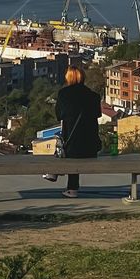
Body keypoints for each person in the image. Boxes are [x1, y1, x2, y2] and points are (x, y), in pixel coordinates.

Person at [44, 65, 102, 197]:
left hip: (71, 146)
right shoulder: (94, 96)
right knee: (73, 148)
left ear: (68, 78)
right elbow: (98, 114)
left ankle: (55, 173)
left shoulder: (64, 94)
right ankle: (69, 186)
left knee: (67, 149)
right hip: (91, 145)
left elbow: (59, 115)